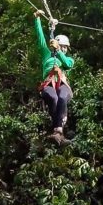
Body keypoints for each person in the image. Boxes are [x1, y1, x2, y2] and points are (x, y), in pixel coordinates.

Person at [34, 9, 74, 145]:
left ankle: (59, 131)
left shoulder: (67, 59)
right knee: (53, 97)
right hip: (48, 83)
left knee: (62, 97)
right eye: (61, 47)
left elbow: (68, 65)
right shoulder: (47, 54)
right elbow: (40, 38)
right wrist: (37, 19)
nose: (63, 49)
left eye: (64, 48)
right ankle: (57, 131)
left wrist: (58, 51)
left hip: (62, 83)